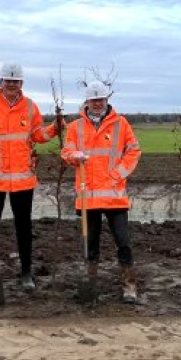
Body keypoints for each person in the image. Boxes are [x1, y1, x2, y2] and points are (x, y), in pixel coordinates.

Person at [0, 63, 61, 293]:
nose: (11, 85)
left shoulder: (30, 107)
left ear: (21, 84)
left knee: (24, 227)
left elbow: (37, 135)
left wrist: (54, 129)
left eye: (15, 81)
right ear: (1, 83)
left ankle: (27, 273)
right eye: (8, 81)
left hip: (22, 180)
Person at [61, 80, 141, 303]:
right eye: (93, 100)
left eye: (101, 99)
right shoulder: (75, 127)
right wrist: (72, 156)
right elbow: (66, 151)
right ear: (87, 101)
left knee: (123, 242)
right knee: (90, 243)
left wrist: (118, 175)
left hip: (115, 196)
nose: (97, 103)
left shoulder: (121, 124)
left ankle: (129, 286)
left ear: (107, 100)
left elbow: (133, 151)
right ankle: (91, 282)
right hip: (88, 197)